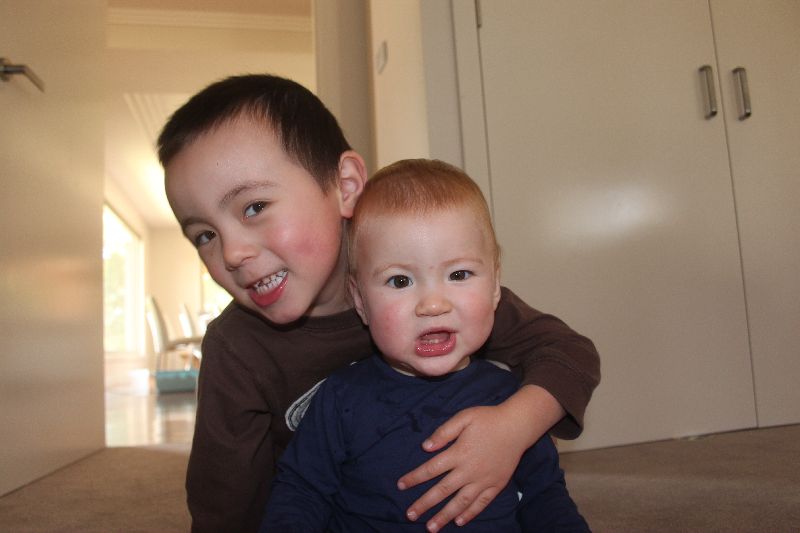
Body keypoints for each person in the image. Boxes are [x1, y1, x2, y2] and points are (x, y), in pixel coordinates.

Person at [158, 74, 600, 532]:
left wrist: (512, 429)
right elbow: (225, 501)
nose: (232, 253)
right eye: (204, 235)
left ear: (345, 185)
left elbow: (569, 353)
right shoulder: (236, 349)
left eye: (253, 207)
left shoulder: (433, 288)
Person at [261, 159, 590, 532]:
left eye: (459, 274)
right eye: (400, 281)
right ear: (360, 300)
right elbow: (301, 494)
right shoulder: (340, 399)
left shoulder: (512, 399)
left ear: (496, 285)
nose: (433, 304)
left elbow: (545, 499)